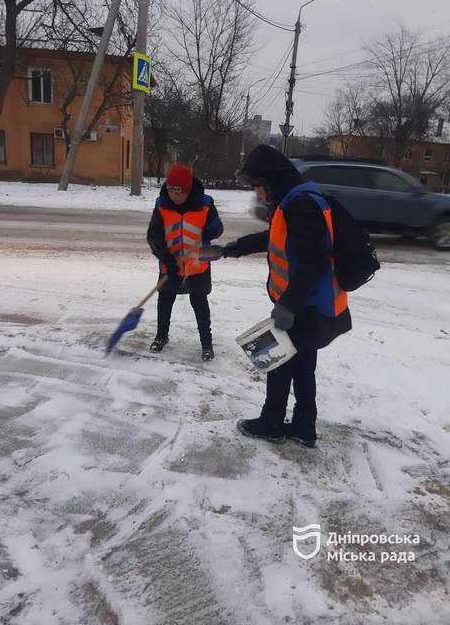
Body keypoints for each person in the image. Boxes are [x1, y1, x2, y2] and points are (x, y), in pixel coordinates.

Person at [218, 145, 352, 446]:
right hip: (308, 301)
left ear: (271, 181)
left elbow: (314, 262)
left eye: (258, 186)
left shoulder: (300, 205)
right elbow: (275, 238)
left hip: (306, 304)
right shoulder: (293, 200)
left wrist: (288, 305)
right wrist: (233, 249)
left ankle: (271, 422)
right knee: (303, 366)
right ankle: (304, 426)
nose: (257, 193)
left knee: (277, 361)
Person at [147, 164, 223, 361]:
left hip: (197, 265)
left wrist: (209, 231)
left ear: (188, 191)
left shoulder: (205, 204)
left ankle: (206, 344)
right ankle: (161, 336)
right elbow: (154, 236)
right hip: (170, 264)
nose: (174, 196)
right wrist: (166, 259)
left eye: (179, 192)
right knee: (165, 301)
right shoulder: (162, 205)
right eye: (171, 190)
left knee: (199, 303)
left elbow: (217, 227)